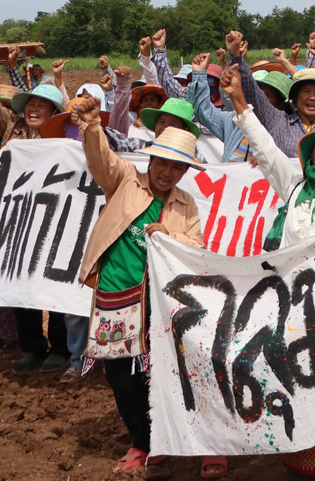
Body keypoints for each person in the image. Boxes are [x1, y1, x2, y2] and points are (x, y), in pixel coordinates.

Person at [224, 68, 315, 480]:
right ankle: (300, 465)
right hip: (291, 315)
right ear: (307, 156)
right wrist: (238, 101)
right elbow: (266, 146)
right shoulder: (293, 187)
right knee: (297, 389)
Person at [71, 98, 226, 478]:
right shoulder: (124, 180)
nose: (168, 172)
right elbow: (99, 158)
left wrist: (168, 234)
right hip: (115, 295)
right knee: (122, 379)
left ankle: (205, 444)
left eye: (178, 167)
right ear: (151, 161)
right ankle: (144, 442)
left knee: (180, 373)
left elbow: (197, 248)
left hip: (161, 304)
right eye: (164, 163)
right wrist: (92, 126)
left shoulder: (185, 204)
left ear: (185, 172)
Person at [0, 47, 72, 374]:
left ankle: (59, 347)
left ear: (52, 111)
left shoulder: (61, 140)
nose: (32, 108)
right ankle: (33, 346)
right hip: (14, 220)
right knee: (19, 281)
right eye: (29, 103)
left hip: (52, 221)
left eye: (39, 104)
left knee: (52, 283)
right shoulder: (10, 128)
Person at [225, 30, 315, 157]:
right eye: (306, 91)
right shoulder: (277, 120)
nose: (313, 97)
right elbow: (254, 93)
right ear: (295, 96)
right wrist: (236, 55)